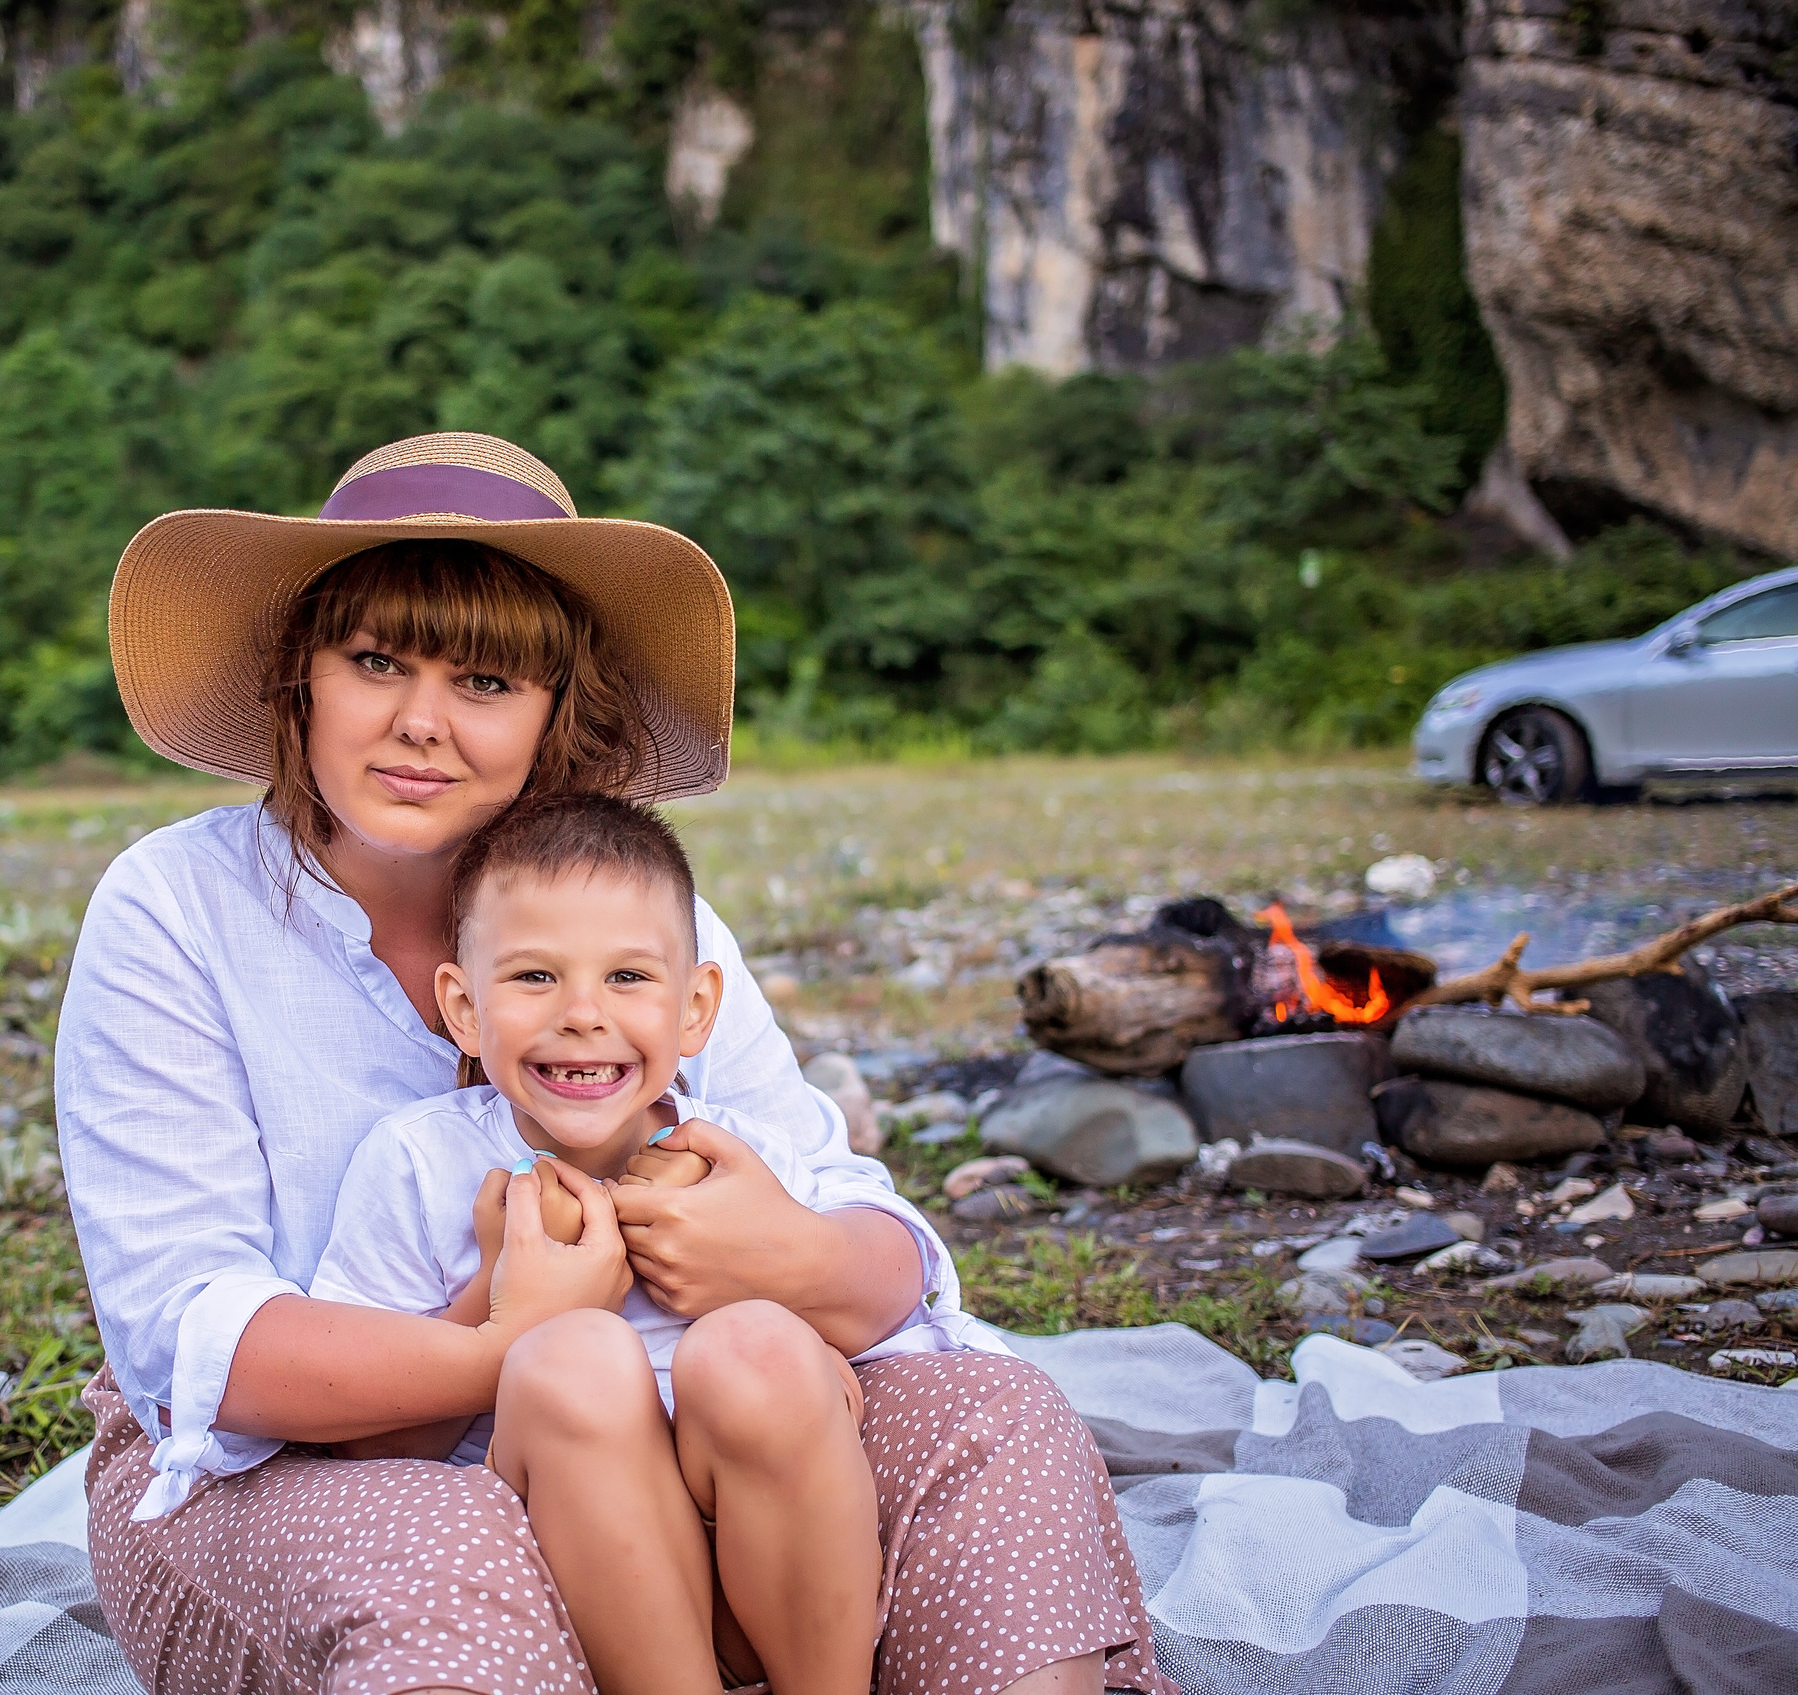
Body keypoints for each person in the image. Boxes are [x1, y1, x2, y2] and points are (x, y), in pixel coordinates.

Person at [58, 431, 1175, 1695]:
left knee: (997, 1419)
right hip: (318, 1478)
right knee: (444, 1542)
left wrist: (789, 1258)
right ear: (299, 679)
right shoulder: (176, 909)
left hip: (681, 1462)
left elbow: (869, 1248)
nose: (420, 722)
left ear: (556, 712)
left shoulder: (641, 919)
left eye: (485, 684)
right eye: (374, 662)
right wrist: (504, 1341)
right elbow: (189, 1342)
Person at [312, 791, 938, 1695]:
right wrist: (498, 1293)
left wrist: (800, 1335)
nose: (582, 1014)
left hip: (769, 1578)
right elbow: (370, 1445)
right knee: (574, 1355)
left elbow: (860, 1332)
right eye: (534, 977)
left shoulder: (736, 1162)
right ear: (463, 1007)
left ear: (696, 1008)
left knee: (759, 1343)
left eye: (628, 978)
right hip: (574, 1595)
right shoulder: (422, 1163)